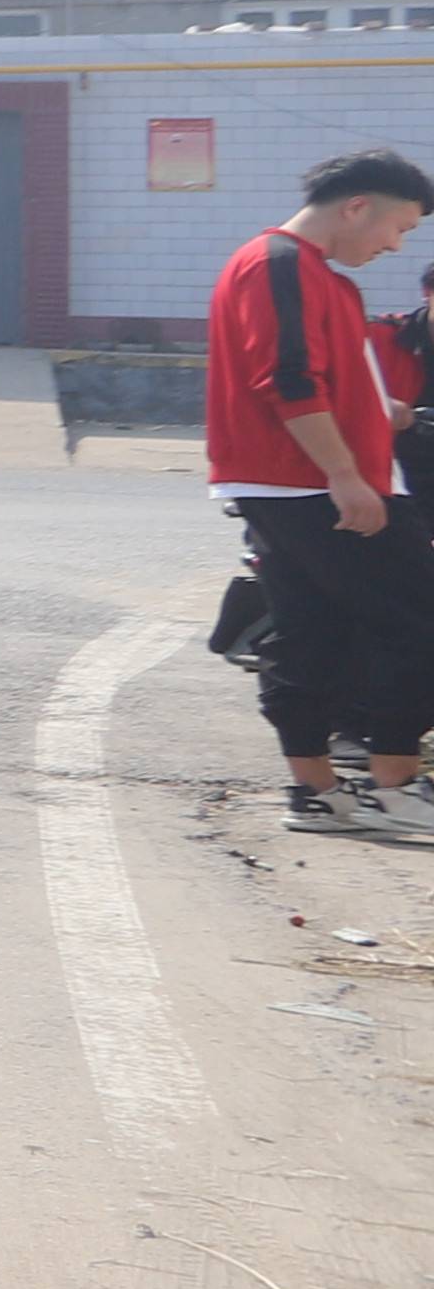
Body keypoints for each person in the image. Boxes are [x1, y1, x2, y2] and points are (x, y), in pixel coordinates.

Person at [207, 147, 434, 830]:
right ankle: (397, 788)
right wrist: (344, 475)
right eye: (399, 228)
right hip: (312, 485)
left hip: (299, 485)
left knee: (315, 634)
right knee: (417, 620)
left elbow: (323, 378)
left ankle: (318, 792)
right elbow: (287, 379)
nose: (396, 245)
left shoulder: (319, 277)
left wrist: (380, 416)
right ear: (357, 207)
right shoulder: (280, 264)